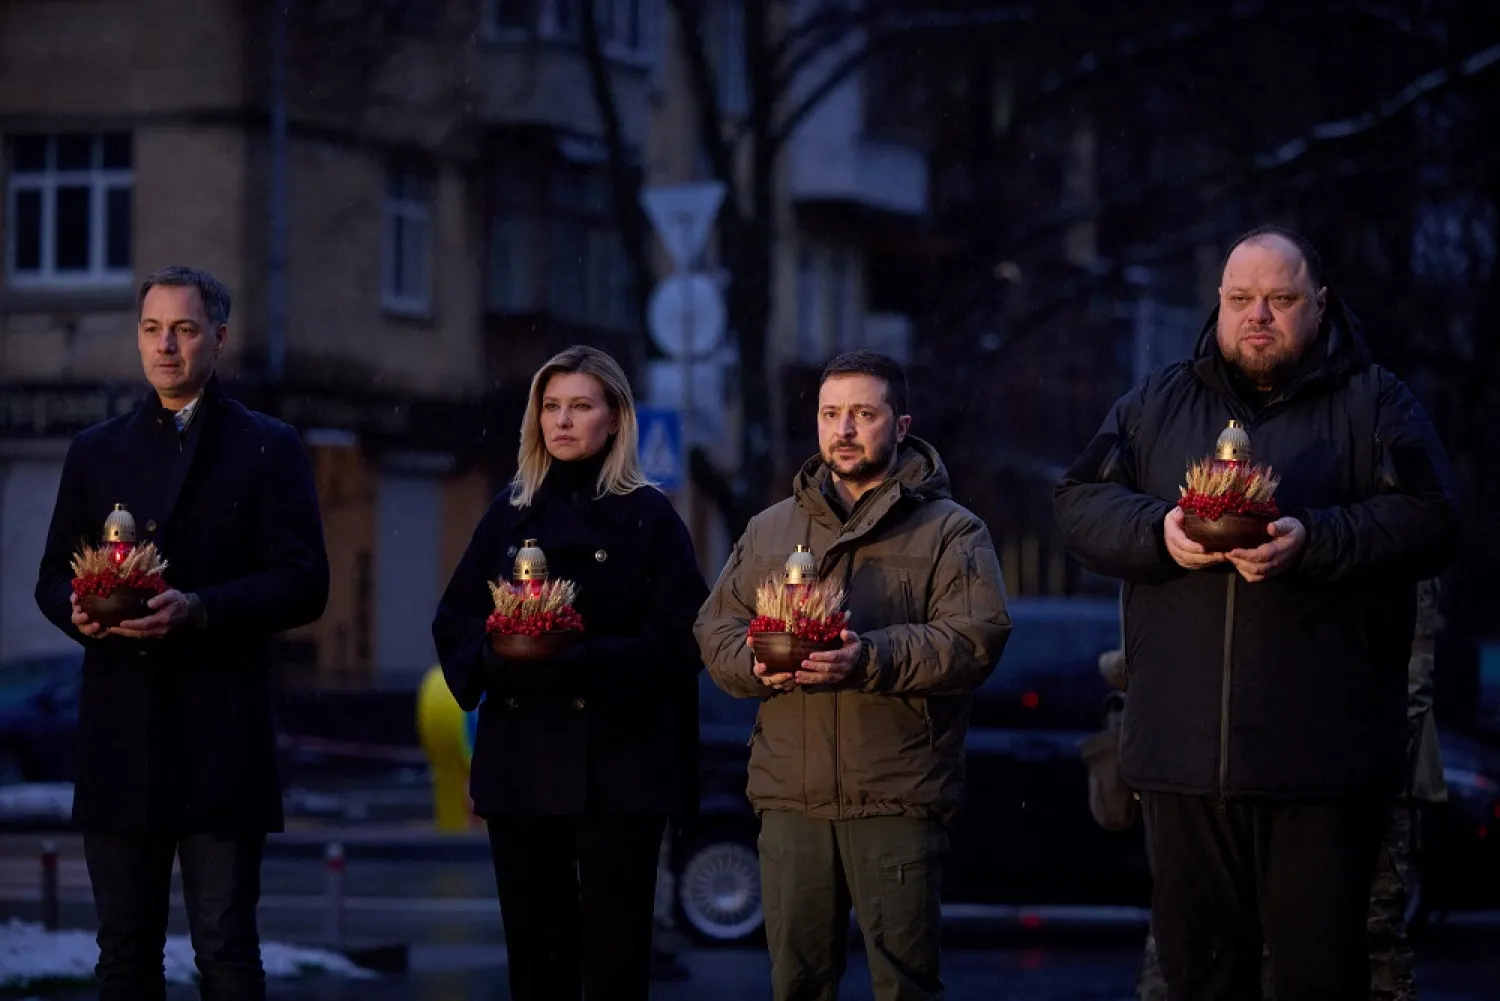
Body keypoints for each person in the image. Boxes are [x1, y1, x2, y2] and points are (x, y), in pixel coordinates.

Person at [1053, 226, 1459, 1000]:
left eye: (1280, 299)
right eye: (1242, 299)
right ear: (1220, 303)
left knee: (1318, 981)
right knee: (1201, 979)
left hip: (1322, 764)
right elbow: (1076, 502)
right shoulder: (1157, 401)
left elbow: (1434, 518)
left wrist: (1317, 538)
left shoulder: (1376, 401)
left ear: (1320, 303)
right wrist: (1158, 532)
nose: (1259, 316)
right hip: (1182, 758)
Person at [33, 265, 330, 1001]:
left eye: (185, 328)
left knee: (226, 949)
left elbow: (306, 581)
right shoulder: (96, 451)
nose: (166, 345)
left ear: (218, 338)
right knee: (123, 954)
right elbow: (48, 577)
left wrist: (200, 607)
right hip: (119, 736)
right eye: (151, 328)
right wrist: (72, 608)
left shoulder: (268, 445)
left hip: (220, 738)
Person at [695, 350, 1012, 1001]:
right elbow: (714, 628)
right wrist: (754, 664)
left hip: (896, 793)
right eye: (830, 414)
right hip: (791, 796)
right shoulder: (769, 528)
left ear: (899, 425)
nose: (843, 429)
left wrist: (868, 657)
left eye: (863, 414)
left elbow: (975, 636)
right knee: (798, 984)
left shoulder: (951, 531)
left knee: (905, 986)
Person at [432, 345, 707, 1001]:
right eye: (551, 406)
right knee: (537, 962)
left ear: (614, 418)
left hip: (619, 768)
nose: (563, 420)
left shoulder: (650, 517)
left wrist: (584, 658)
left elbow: (683, 640)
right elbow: (456, 619)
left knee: (615, 964)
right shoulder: (509, 511)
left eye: (581, 406)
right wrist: (499, 656)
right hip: (523, 766)